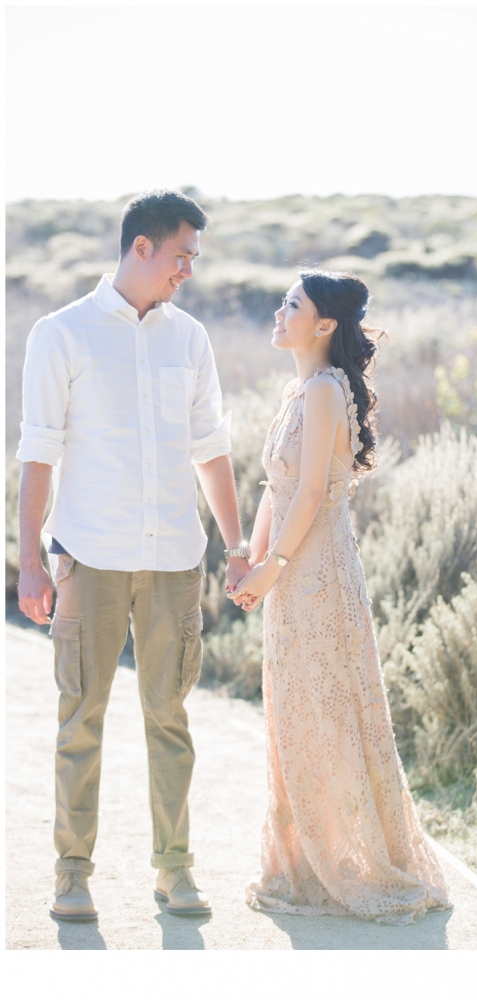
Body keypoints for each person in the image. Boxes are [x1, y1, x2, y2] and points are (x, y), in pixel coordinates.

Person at [17, 189, 251, 922]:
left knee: (169, 718)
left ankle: (174, 870)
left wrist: (237, 545)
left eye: (194, 257)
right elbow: (38, 454)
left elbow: (211, 450)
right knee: (80, 717)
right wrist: (29, 557)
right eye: (182, 254)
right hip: (88, 556)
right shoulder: (61, 334)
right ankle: (71, 874)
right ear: (140, 248)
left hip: (174, 561)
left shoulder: (190, 338)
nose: (189, 269)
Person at [232, 270, 450, 923]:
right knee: (294, 711)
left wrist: (271, 568)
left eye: (291, 305)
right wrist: (246, 557)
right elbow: (275, 488)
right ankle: (301, 860)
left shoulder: (325, 390)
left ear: (323, 324)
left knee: (326, 709)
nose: (278, 311)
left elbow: (313, 495)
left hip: (317, 571)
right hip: (290, 568)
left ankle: (352, 861)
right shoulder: (298, 391)